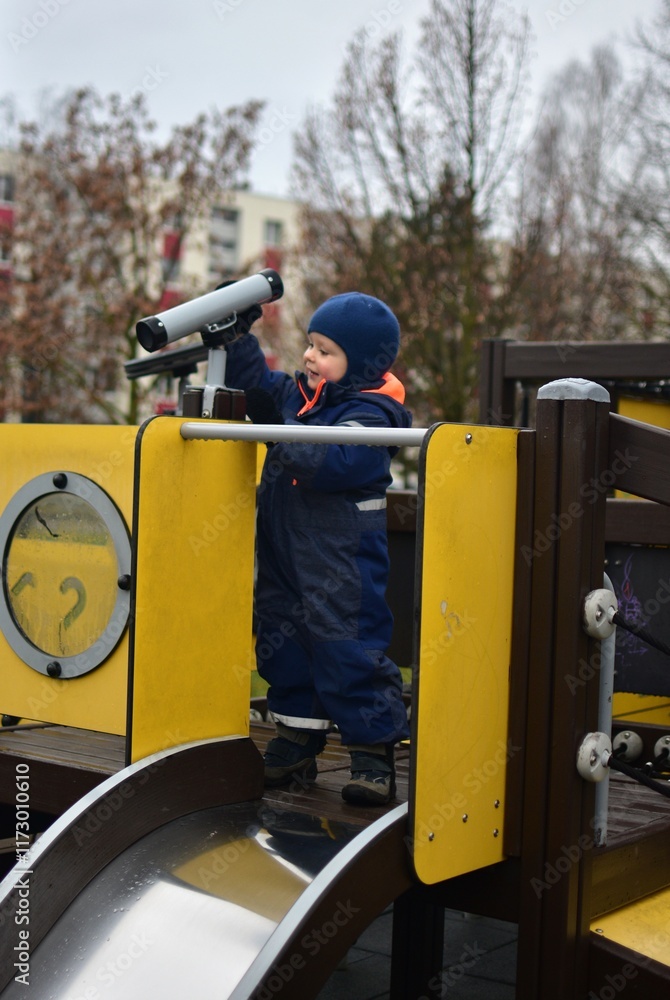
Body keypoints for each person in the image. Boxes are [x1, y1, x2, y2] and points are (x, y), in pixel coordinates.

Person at [225, 291, 411, 806]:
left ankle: (372, 753)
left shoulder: (373, 415)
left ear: (363, 364)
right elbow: (262, 391)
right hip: (286, 553)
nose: (310, 356)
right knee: (282, 640)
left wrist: (280, 434)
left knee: (346, 645)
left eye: (325, 351)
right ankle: (296, 738)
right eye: (310, 344)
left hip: (340, 560)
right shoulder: (304, 400)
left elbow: (334, 461)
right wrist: (238, 338)